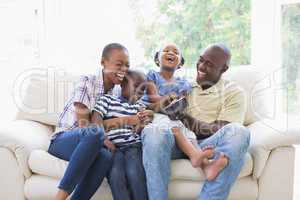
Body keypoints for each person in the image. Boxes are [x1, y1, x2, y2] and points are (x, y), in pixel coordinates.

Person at [142, 43, 251, 200]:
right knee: (153, 131)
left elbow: (218, 129)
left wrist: (182, 116)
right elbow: (155, 103)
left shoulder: (233, 92)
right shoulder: (184, 86)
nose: (201, 66)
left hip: (209, 144)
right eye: (200, 60)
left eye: (209, 64)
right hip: (177, 143)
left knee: (239, 132)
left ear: (224, 69)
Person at [48, 43, 131, 200]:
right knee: (96, 132)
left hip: (95, 144)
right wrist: (104, 138)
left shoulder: (118, 92)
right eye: (119, 64)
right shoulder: (87, 81)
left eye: (127, 65)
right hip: (63, 141)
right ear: (103, 62)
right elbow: (84, 124)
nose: (124, 70)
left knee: (105, 157)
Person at [143, 43, 215, 169]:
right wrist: (166, 99)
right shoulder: (152, 75)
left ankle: (205, 165)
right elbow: (152, 97)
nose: (171, 53)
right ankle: (194, 155)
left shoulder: (183, 83)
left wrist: (177, 103)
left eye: (176, 52)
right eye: (166, 50)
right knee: (174, 127)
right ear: (156, 59)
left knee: (189, 133)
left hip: (173, 115)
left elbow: (182, 103)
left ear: (180, 63)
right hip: (155, 113)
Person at [91, 70, 152, 200]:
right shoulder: (107, 99)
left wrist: (141, 123)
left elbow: (137, 131)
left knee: (135, 173)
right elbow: (96, 120)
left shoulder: (139, 107)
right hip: (112, 147)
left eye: (142, 90)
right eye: (136, 87)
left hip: (133, 146)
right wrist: (104, 139)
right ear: (122, 84)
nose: (139, 92)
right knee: (116, 175)